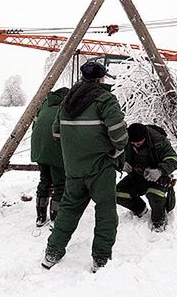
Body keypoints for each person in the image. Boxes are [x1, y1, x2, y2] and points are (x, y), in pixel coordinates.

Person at [41, 61, 128, 273]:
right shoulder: (105, 99)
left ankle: (52, 252)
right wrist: (116, 151)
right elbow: (119, 134)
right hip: (100, 168)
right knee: (106, 212)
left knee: (68, 210)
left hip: (73, 169)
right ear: (102, 78)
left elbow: (56, 133)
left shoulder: (68, 100)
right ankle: (101, 259)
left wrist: (75, 149)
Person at [116, 123, 177, 232]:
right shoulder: (123, 140)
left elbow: (173, 160)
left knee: (154, 195)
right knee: (117, 194)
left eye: (138, 143)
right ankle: (140, 209)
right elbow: (110, 155)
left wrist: (160, 170)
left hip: (158, 178)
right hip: (136, 177)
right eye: (133, 143)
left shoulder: (159, 141)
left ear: (145, 137)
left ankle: (159, 221)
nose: (135, 145)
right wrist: (120, 163)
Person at [30, 87, 69, 227]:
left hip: (39, 148)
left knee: (44, 181)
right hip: (55, 149)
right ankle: (55, 217)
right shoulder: (66, 106)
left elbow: (35, 125)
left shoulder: (45, 103)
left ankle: (40, 217)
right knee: (60, 184)